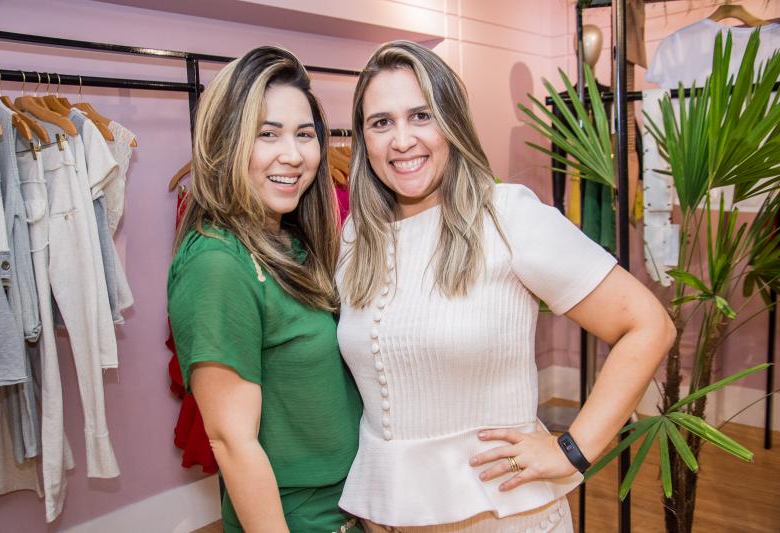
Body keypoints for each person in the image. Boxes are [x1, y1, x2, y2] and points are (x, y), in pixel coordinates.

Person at [336, 40, 675, 532]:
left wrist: (572, 448)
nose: (402, 140)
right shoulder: (356, 236)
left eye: (421, 116)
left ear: (452, 122)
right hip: (388, 515)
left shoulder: (506, 215)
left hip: (501, 514)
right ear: (363, 138)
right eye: (381, 122)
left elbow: (648, 325)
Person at [168, 47, 362, 533]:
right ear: (226, 143)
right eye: (267, 134)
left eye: (304, 135)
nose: (292, 155)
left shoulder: (292, 241)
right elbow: (233, 444)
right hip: (301, 519)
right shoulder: (217, 263)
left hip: (353, 503)